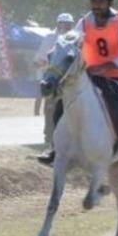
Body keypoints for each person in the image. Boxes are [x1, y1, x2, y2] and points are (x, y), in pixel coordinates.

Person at [37, 0, 118, 180]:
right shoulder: (84, 22)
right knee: (62, 104)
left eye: (100, 1)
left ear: (109, 1)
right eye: (93, 0)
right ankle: (54, 147)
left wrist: (109, 65)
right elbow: (73, 42)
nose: (96, 4)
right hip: (91, 74)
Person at [34, 13, 74, 147]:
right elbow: (40, 58)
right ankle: (49, 135)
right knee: (50, 107)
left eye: (69, 24)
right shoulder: (50, 37)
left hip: (68, 79)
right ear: (58, 24)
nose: (67, 27)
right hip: (53, 78)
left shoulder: (73, 38)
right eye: (64, 23)